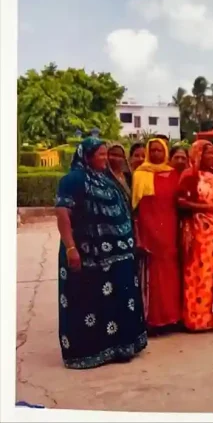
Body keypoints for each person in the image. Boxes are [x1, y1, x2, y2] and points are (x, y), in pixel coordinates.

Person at [54, 137, 147, 369]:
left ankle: (120, 347)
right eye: (101, 155)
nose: (105, 159)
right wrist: (71, 248)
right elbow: (63, 214)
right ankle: (88, 352)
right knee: (87, 301)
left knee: (115, 301)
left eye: (106, 154)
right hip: (86, 254)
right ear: (86, 156)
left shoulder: (105, 180)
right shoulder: (72, 180)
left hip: (117, 255)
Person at [177, 140, 213, 332]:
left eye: (212, 153)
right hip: (198, 230)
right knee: (199, 272)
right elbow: (181, 202)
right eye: (207, 153)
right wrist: (208, 208)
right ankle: (198, 318)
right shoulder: (189, 175)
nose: (211, 157)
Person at [131, 139, 182, 332]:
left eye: (160, 150)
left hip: (170, 229)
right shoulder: (140, 174)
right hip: (149, 229)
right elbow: (135, 208)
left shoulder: (173, 174)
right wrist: (140, 235)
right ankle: (152, 320)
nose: (156, 153)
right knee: (152, 275)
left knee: (170, 273)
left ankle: (172, 318)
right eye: (152, 150)